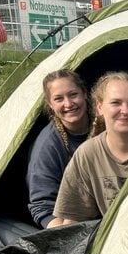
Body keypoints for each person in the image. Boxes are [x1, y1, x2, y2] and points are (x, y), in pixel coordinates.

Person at [50, 71, 128, 226]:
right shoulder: (88, 154)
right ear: (99, 107)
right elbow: (72, 221)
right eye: (116, 103)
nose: (125, 111)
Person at [26, 70, 92, 228]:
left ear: (85, 94)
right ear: (50, 104)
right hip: (71, 222)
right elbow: (42, 207)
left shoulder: (105, 126)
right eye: (59, 99)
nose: (68, 104)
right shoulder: (48, 145)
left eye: (73, 94)